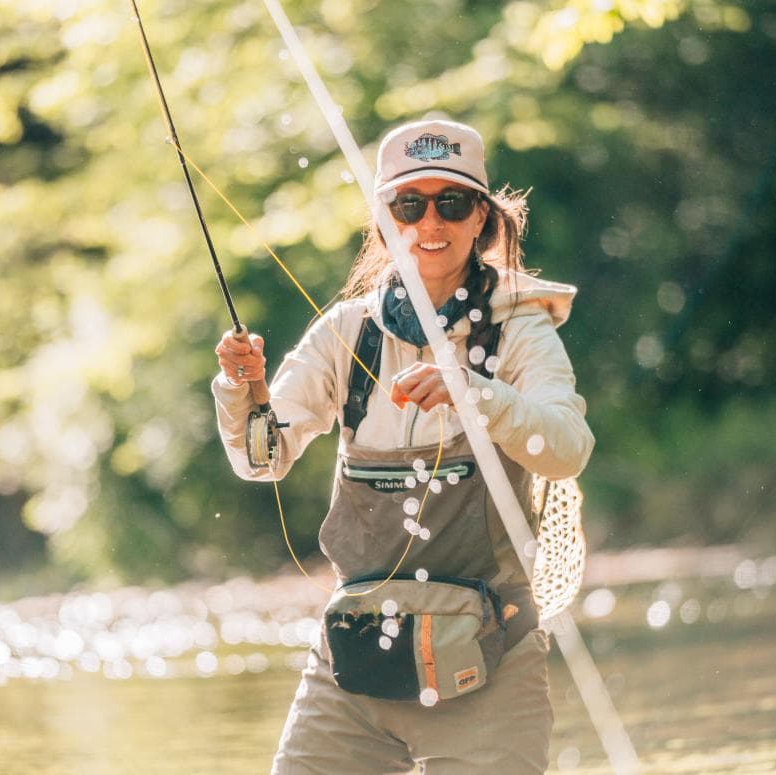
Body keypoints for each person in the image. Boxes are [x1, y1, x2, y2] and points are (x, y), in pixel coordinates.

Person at [212, 118, 594, 774]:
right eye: (409, 205)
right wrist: (241, 391)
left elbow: (567, 449)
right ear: (384, 219)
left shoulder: (522, 330)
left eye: (452, 203)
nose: (430, 223)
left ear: (482, 217)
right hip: (354, 669)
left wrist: (474, 393)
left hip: (493, 666)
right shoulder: (345, 331)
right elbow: (261, 458)